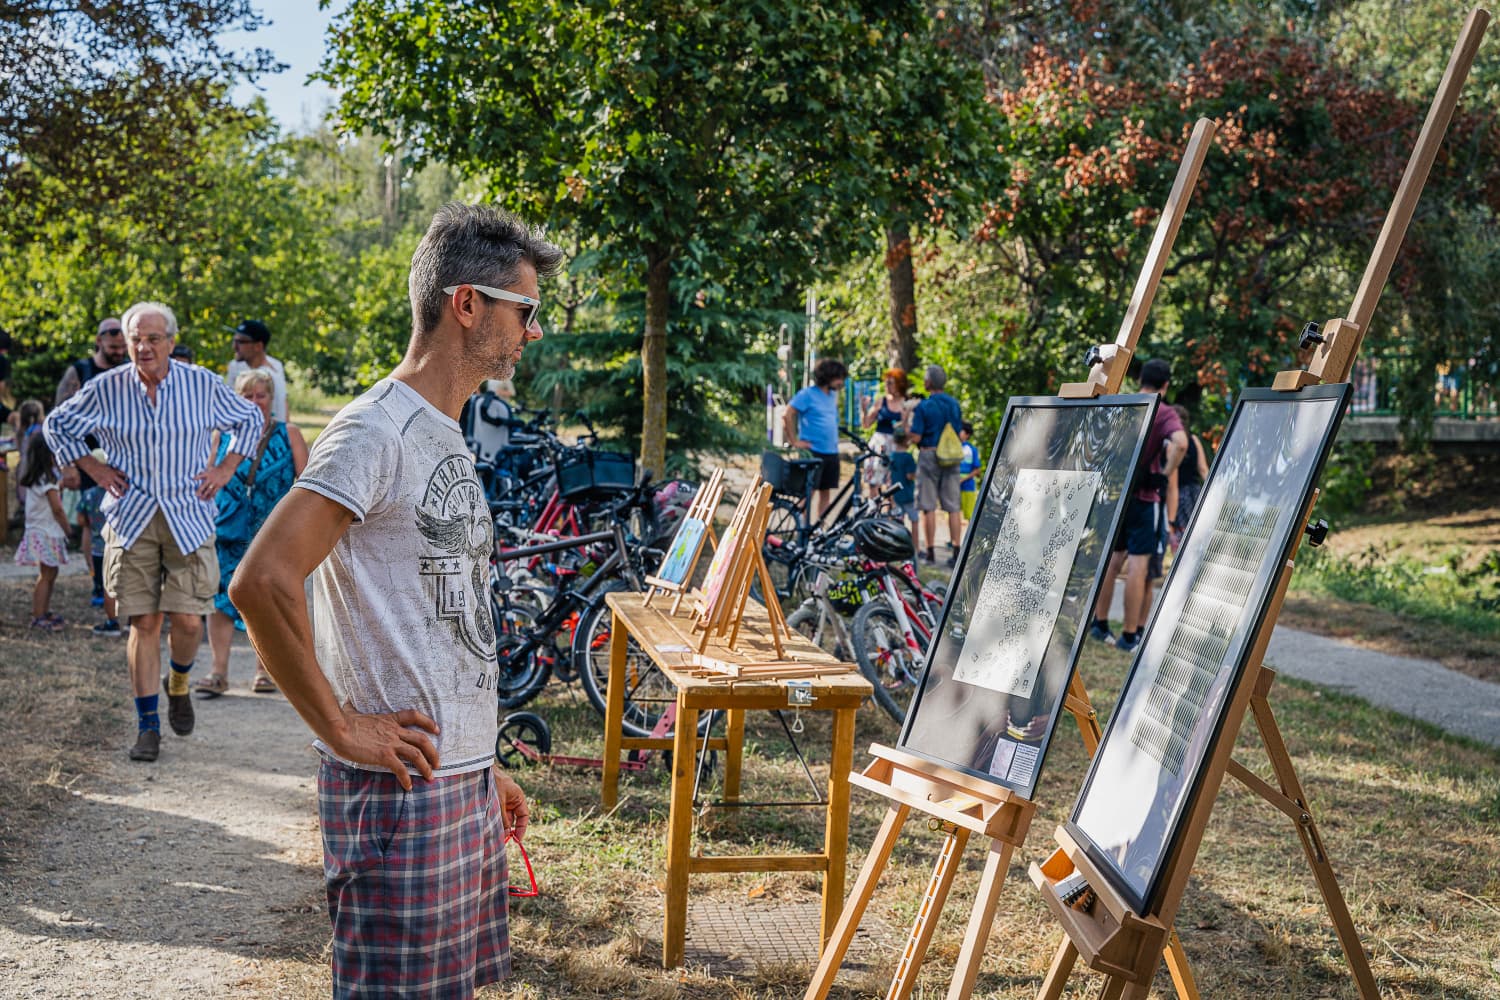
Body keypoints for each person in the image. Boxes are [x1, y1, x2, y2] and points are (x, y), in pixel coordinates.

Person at [230, 203, 542, 998]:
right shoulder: (376, 428)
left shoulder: (443, 428)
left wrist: (482, 766)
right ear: (465, 304)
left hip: (454, 786)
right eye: (525, 310)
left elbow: (441, 618)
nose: (532, 333)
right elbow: (262, 580)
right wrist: (339, 726)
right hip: (398, 800)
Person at [44, 300, 264, 763]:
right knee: (144, 622)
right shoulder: (106, 389)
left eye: (153, 339)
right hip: (132, 515)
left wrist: (225, 468)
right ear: (124, 343)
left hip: (189, 514)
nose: (143, 348)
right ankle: (147, 727)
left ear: (169, 341)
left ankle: (178, 682)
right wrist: (92, 468)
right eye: (135, 340)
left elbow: (249, 419)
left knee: (187, 621)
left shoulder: (200, 383)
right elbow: (57, 424)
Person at [195, 369, 309, 697]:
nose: (255, 402)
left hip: (271, 533)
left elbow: (305, 482)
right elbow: (206, 478)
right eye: (248, 395)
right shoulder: (222, 436)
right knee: (220, 600)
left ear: (271, 399)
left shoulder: (288, 433)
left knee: (266, 602)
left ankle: (264, 672)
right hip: (228, 529)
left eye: (261, 395)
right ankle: (218, 671)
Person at [1089, 359, 1187, 651]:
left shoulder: (1126, 404)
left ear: (1140, 379)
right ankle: (1129, 635)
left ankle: (1099, 623)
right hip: (1145, 499)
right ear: (1166, 385)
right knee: (1138, 568)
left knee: (1112, 560)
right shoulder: (1164, 411)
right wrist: (1165, 474)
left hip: (1116, 495)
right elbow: (1180, 444)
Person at [14, 432, 73, 632]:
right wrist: (68, 529)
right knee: (46, 575)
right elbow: (57, 509)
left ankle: (43, 611)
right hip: (46, 532)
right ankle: (38, 615)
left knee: (50, 573)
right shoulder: (47, 480)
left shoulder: (40, 478)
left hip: (42, 530)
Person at [908, 364, 964, 566]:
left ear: (928, 382)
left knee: (928, 505)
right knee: (953, 505)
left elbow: (916, 437)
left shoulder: (924, 406)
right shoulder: (954, 404)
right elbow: (959, 431)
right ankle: (957, 550)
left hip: (929, 455)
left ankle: (930, 551)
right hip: (951, 457)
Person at [783, 358, 847, 517]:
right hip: (813, 451)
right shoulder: (807, 394)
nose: (841, 382)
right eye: (838, 378)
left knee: (825, 493)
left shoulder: (832, 396)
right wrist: (794, 441)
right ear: (828, 377)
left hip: (831, 451)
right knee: (808, 493)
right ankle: (803, 530)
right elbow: (787, 414)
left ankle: (819, 531)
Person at [75, 452, 123, 636]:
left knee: (107, 585)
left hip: (98, 548)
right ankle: (131, 620)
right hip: (123, 544)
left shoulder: (89, 495)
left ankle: (112, 622)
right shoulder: (122, 492)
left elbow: (81, 520)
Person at [225, 318, 288, 422]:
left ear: (258, 346)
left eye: (240, 342)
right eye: (234, 341)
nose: (234, 347)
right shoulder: (237, 367)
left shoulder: (268, 377)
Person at [55, 318, 127, 406]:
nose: (120, 352)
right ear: (98, 340)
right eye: (113, 347)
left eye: (123, 347)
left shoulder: (130, 369)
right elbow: (61, 409)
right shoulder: (79, 371)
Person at [861, 367, 910, 494]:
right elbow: (866, 424)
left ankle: (892, 512)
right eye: (886, 382)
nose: (886, 386)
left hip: (896, 445)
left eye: (890, 383)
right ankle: (873, 509)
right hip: (878, 445)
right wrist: (864, 409)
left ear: (900, 384)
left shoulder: (907, 403)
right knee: (874, 482)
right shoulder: (881, 401)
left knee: (893, 484)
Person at [1169, 403, 1209, 551]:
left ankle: (1180, 569)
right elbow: (1203, 470)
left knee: (1179, 540)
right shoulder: (1194, 440)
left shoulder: (1169, 442)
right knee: (1197, 536)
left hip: (1176, 496)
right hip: (1195, 493)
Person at [888, 430, 919, 541]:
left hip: (895, 495)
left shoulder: (891, 456)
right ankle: (916, 548)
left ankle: (894, 544)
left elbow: (889, 476)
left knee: (896, 522)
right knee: (914, 521)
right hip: (908, 495)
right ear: (907, 441)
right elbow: (910, 476)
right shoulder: (908, 457)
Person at [958, 421, 982, 528]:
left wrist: (962, 480)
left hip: (968, 487)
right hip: (954, 487)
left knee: (970, 515)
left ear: (967, 434)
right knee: (954, 514)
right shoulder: (952, 447)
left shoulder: (971, 449)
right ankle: (954, 542)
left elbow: (977, 471)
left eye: (961, 431)